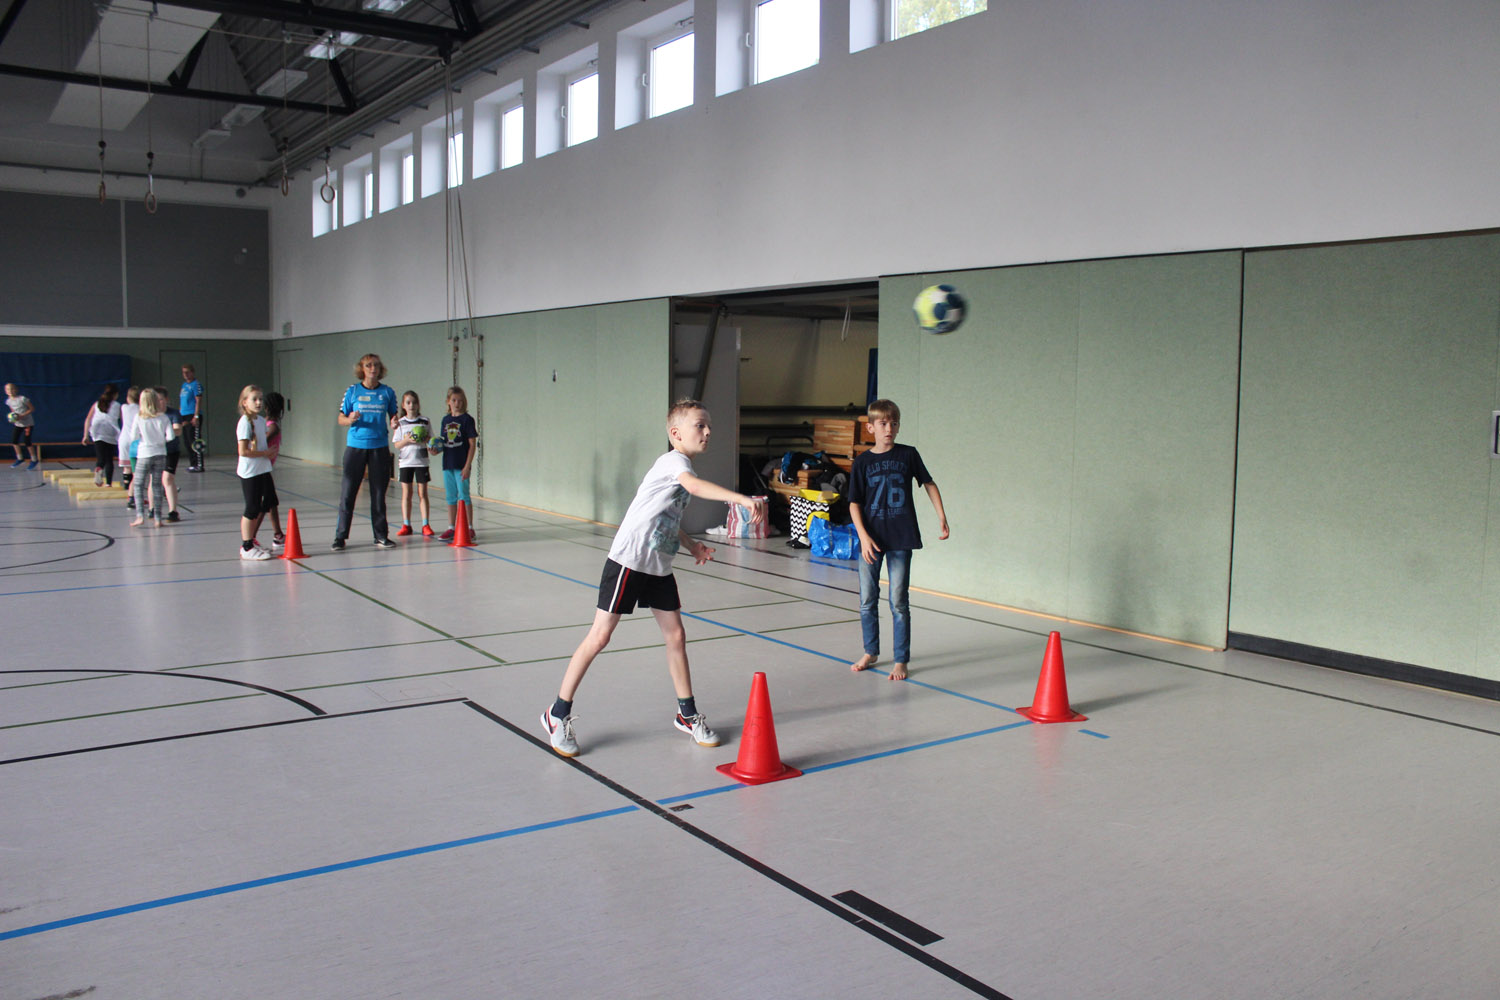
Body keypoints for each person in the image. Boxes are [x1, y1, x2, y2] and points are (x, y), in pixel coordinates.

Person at [540, 399, 767, 758]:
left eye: (709, 425)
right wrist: (740, 499)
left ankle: (686, 714)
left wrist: (692, 545)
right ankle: (557, 713)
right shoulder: (674, 463)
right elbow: (694, 488)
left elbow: (665, 518)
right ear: (676, 433)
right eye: (700, 425)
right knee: (600, 637)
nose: (708, 431)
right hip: (629, 561)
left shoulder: (680, 469)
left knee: (676, 636)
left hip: (658, 566)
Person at [848, 398, 949, 682]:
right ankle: (871, 651)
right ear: (871, 427)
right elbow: (854, 503)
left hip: (901, 538)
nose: (889, 428)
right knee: (867, 599)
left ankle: (901, 659)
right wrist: (863, 537)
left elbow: (929, 483)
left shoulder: (908, 455)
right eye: (882, 424)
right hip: (871, 540)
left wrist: (941, 516)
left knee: (898, 601)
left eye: (894, 423)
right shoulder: (863, 462)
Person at [332, 353, 399, 551]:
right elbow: (340, 418)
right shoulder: (352, 391)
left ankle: (380, 536)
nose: (373, 368)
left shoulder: (387, 392)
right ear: (362, 369)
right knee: (348, 493)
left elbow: (394, 416)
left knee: (378, 495)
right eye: (368, 365)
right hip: (356, 447)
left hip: (379, 448)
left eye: (376, 365)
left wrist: (395, 422)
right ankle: (340, 537)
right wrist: (350, 419)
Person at [235, 385, 277, 560]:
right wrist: (265, 453)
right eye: (254, 399)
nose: (259, 402)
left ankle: (252, 540)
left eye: (260, 399)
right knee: (252, 507)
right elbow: (243, 451)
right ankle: (246, 547)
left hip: (263, 469)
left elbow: (260, 442)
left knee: (269, 501)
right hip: (250, 472)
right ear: (245, 402)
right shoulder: (244, 423)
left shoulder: (260, 420)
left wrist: (268, 453)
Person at [435, 386, 478, 541]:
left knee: (464, 495)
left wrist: (467, 466)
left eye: (460, 400)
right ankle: (451, 527)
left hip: (461, 465)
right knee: (450, 497)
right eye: (454, 400)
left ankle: (469, 527)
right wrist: (434, 450)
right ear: (448, 401)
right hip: (448, 464)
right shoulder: (445, 420)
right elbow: (444, 442)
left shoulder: (467, 420)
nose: (457, 403)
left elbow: (472, 444)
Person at [391, 390, 435, 537]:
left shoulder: (425, 421)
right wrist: (407, 440)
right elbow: (397, 444)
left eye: (414, 402)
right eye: (408, 402)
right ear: (403, 405)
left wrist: (427, 440)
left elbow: (431, 440)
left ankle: (425, 524)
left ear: (418, 404)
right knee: (407, 493)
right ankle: (406, 525)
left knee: (422, 493)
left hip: (421, 462)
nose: (411, 405)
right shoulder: (400, 423)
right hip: (405, 462)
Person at [125, 388, 170, 528]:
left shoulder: (139, 417)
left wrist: (144, 439)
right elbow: (170, 436)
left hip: (145, 453)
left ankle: (140, 516)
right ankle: (158, 518)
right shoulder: (163, 417)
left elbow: (133, 437)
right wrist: (160, 441)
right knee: (157, 485)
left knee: (138, 484)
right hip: (160, 453)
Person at [82, 385, 122, 486]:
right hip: (111, 432)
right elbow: (123, 420)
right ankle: (108, 483)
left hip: (97, 432)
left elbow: (88, 419)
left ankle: (99, 468)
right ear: (115, 395)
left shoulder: (97, 404)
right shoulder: (117, 405)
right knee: (109, 459)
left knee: (101, 458)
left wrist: (85, 435)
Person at [154, 386, 183, 522]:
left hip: (171, 451)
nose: (158, 403)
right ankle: (153, 509)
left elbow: (178, 430)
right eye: (156, 400)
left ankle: (173, 511)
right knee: (154, 480)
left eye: (160, 399)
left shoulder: (173, 414)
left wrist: (164, 432)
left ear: (166, 399)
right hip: (156, 451)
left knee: (167, 479)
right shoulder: (152, 415)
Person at [264, 391, 287, 547]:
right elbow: (260, 445)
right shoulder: (271, 426)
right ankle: (251, 539)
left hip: (265, 468)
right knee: (266, 504)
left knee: (270, 502)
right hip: (261, 469)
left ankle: (278, 534)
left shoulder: (267, 425)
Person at [180, 364, 205, 472]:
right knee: (187, 441)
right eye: (183, 372)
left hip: (192, 414)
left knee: (194, 440)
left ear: (192, 372)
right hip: (184, 414)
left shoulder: (196, 385)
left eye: (187, 372)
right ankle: (192, 463)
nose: (185, 374)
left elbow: (198, 400)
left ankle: (199, 464)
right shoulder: (184, 385)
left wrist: (196, 416)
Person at [118, 386, 140, 507]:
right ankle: (133, 495)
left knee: (127, 468)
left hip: (124, 439)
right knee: (136, 470)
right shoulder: (140, 409)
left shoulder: (124, 407)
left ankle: (128, 491)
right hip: (135, 440)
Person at [6, 383, 37, 469]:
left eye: (12, 389)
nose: (10, 391)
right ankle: (20, 458)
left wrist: (22, 416)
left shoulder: (22, 399)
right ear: (6, 391)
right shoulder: (8, 401)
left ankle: (34, 459)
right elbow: (13, 411)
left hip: (28, 423)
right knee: (14, 441)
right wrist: (13, 418)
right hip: (18, 424)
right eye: (8, 389)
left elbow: (32, 409)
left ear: (16, 390)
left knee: (27, 441)